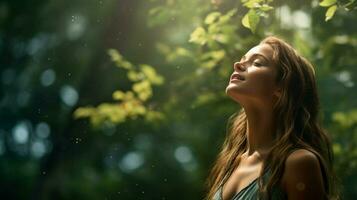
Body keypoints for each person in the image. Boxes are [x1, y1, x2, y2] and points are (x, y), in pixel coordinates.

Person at [205, 36, 339, 200]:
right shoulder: (231, 162)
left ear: (281, 88)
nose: (237, 65)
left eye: (257, 63)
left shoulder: (298, 163)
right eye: (242, 60)